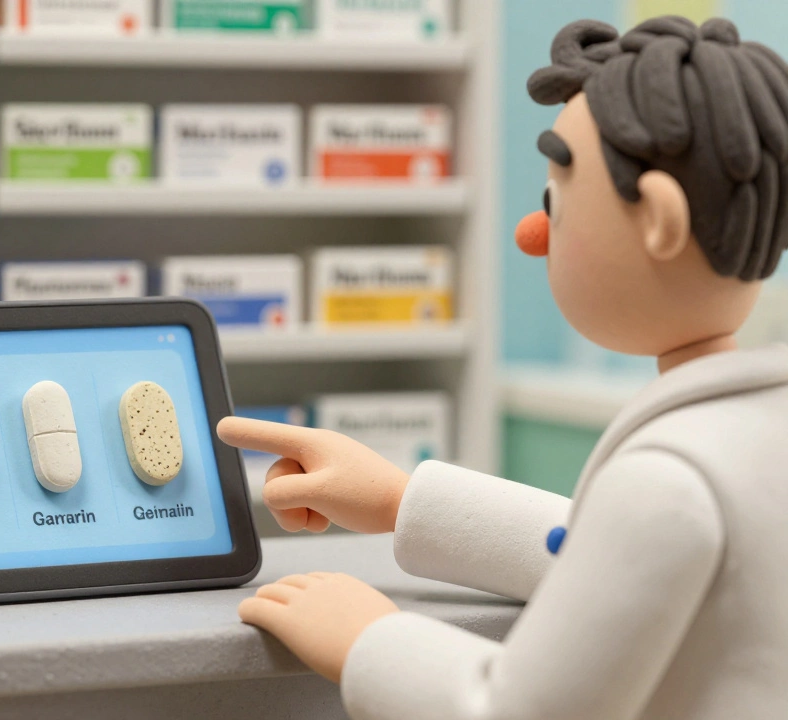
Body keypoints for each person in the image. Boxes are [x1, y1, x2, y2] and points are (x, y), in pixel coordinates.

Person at [219, 16, 788, 720]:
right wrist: (402, 502)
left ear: (660, 223)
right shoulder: (757, 428)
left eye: (558, 201)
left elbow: (512, 710)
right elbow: (606, 563)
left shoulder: (670, 479)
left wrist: (365, 636)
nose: (532, 233)